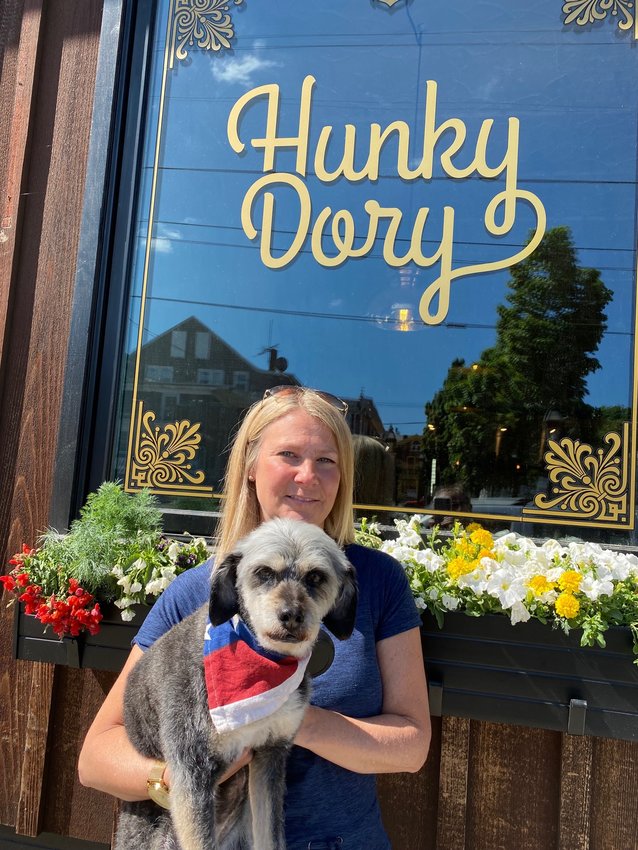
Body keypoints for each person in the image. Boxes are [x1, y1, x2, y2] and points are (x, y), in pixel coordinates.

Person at [79, 386, 431, 850]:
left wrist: (286, 717)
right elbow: (96, 757)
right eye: (289, 454)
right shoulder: (200, 592)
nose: (308, 476)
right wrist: (177, 780)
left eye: (327, 461)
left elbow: (410, 745)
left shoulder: (375, 581)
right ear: (249, 466)